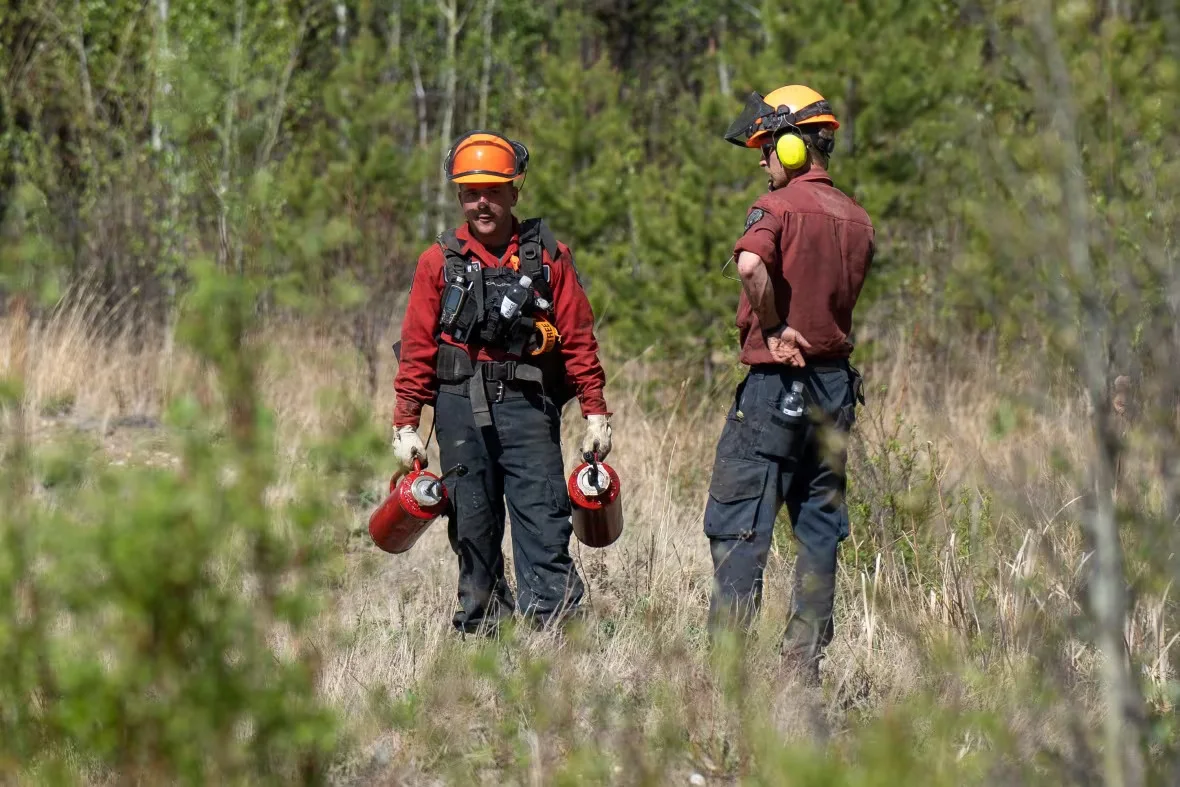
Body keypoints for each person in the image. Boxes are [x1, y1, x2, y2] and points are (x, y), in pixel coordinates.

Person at [390, 130, 613, 635]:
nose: (482, 203)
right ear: (459, 197)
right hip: (457, 408)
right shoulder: (437, 262)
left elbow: (578, 336)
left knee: (543, 516)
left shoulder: (550, 256)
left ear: (515, 191)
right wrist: (406, 421)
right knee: (472, 523)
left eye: (493, 190)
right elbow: (418, 346)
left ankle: (555, 631)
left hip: (527, 406)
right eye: (471, 193)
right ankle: (484, 631)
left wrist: (595, 410)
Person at [706, 85, 874, 683]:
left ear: (794, 145)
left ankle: (728, 671)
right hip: (833, 390)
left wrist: (774, 325)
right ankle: (801, 666)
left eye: (767, 147)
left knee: (739, 516)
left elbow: (750, 264)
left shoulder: (776, 209)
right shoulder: (857, 217)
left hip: (777, 383)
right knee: (820, 526)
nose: (762, 161)